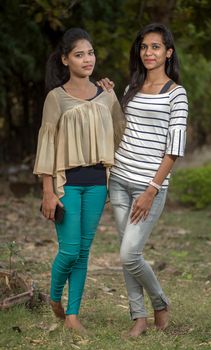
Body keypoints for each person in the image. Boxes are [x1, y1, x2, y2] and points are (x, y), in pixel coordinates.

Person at [33, 27, 125, 333]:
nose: (88, 59)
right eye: (79, 54)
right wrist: (48, 191)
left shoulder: (107, 94)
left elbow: (119, 133)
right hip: (67, 184)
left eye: (91, 52)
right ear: (64, 60)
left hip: (98, 182)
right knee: (69, 251)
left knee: (85, 253)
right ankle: (54, 297)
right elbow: (47, 143)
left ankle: (72, 315)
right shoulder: (56, 98)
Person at [101, 23, 188, 337]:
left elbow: (174, 148)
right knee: (127, 252)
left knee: (129, 254)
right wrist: (109, 94)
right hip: (120, 180)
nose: (148, 52)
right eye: (144, 47)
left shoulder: (176, 94)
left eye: (155, 47)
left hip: (148, 187)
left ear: (168, 52)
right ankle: (138, 317)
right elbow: (123, 130)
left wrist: (151, 189)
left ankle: (160, 303)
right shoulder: (131, 87)